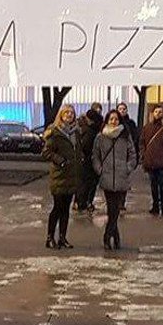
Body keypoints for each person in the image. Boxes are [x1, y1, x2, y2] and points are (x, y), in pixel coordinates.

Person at [93, 110, 137, 250]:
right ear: (107, 121)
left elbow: (132, 154)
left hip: (121, 178)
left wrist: (128, 168)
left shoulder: (125, 136)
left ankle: (108, 236)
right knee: (112, 209)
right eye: (111, 119)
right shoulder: (100, 137)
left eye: (116, 119)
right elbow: (95, 156)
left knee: (115, 210)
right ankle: (114, 237)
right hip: (107, 177)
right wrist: (99, 170)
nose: (113, 121)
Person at [42, 104, 82, 249]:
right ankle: (49, 237)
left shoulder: (76, 132)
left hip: (72, 176)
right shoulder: (55, 132)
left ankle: (62, 238)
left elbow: (78, 152)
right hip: (59, 176)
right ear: (61, 115)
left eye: (71, 113)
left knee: (66, 209)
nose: (69, 115)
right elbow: (46, 152)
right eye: (66, 113)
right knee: (57, 208)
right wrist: (61, 161)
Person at [140, 105, 163, 216]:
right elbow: (142, 142)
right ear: (152, 113)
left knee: (162, 185)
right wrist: (144, 154)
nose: (158, 114)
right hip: (150, 161)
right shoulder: (147, 128)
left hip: (162, 162)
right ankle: (155, 205)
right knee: (153, 185)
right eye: (156, 111)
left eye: (160, 112)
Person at [75, 103, 103, 213]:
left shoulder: (86, 128)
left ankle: (82, 202)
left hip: (87, 160)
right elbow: (86, 146)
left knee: (86, 182)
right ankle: (83, 203)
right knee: (87, 182)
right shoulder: (90, 130)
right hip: (88, 160)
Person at [116, 102, 139, 213]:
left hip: (125, 156)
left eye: (124, 109)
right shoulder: (113, 123)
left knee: (124, 180)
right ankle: (114, 202)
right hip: (115, 156)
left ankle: (121, 203)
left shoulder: (131, 124)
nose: (122, 111)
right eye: (120, 109)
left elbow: (135, 139)